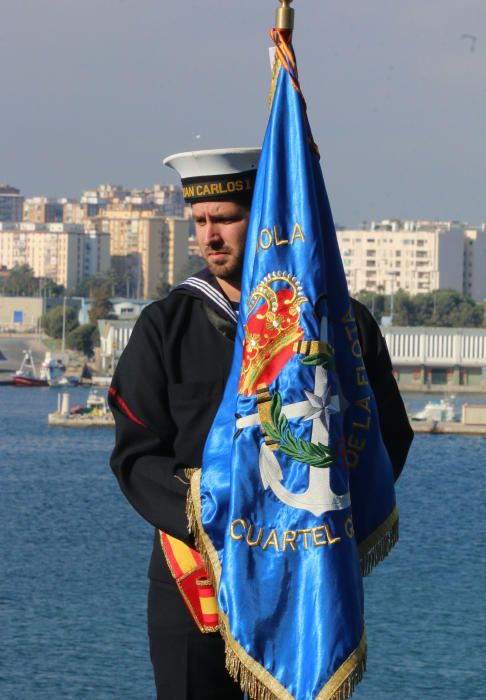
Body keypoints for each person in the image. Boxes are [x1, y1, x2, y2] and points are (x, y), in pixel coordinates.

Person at [108, 148, 413, 700]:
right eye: (200, 222)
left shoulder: (339, 322)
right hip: (195, 583)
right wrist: (216, 504)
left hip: (304, 578)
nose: (210, 236)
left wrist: (333, 507)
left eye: (225, 218)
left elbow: (387, 433)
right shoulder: (164, 327)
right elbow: (136, 454)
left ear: (268, 218)